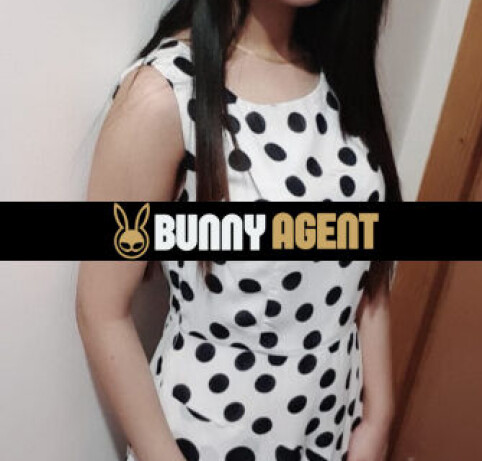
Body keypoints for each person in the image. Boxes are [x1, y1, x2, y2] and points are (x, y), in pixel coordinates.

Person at [76, 1, 402, 460]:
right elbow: (101, 309)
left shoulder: (336, 70)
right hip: (217, 438)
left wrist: (379, 414)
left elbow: (364, 259)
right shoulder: (165, 93)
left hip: (332, 427)